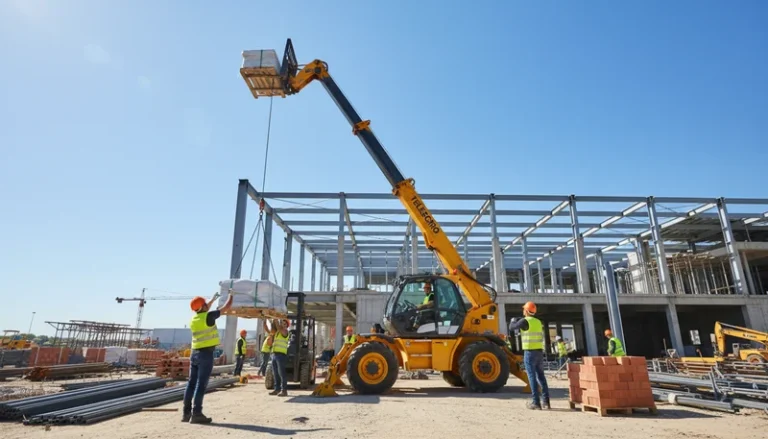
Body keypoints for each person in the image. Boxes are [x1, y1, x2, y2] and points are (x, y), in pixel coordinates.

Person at [183, 292, 233, 423]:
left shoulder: (194, 319)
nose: (207, 305)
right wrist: (231, 295)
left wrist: (213, 299)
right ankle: (197, 413)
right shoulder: (209, 316)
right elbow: (226, 307)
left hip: (194, 354)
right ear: (203, 307)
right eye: (206, 304)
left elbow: (204, 309)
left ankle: (186, 413)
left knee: (191, 384)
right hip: (205, 355)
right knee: (201, 384)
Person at [508, 301, 550, 410]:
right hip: (539, 352)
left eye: (523, 309)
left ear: (526, 311)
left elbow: (512, 328)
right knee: (541, 377)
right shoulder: (537, 322)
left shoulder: (524, 321)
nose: (522, 311)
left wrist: (513, 320)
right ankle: (546, 402)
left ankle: (536, 402)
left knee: (531, 377)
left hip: (530, 353)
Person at [269, 319, 290, 397]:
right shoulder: (277, 333)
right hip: (274, 354)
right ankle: (277, 389)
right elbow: (272, 330)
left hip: (281, 355)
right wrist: (271, 321)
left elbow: (278, 327)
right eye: (282, 323)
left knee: (281, 373)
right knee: (275, 373)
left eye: (284, 324)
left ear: (287, 326)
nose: (282, 324)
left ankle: (284, 390)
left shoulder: (285, 332)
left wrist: (276, 319)